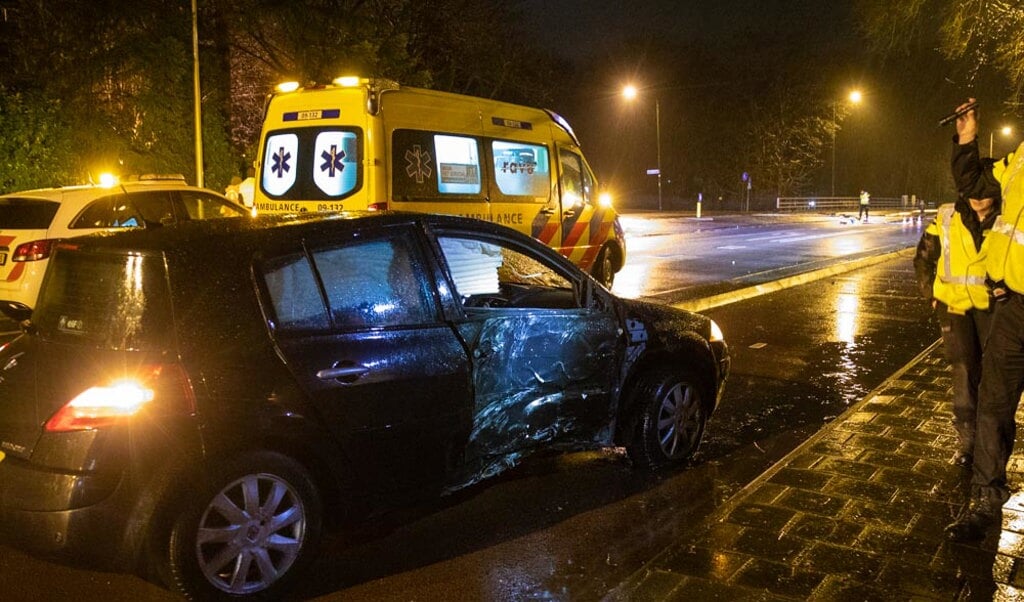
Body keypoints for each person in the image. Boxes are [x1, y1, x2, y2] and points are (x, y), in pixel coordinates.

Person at [945, 98, 1024, 541]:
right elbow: (973, 181)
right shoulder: (1018, 160)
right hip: (1013, 309)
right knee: (993, 407)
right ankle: (985, 501)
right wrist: (968, 136)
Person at [913, 183, 1000, 470]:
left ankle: (991, 443)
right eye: (974, 190)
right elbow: (924, 256)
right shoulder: (947, 216)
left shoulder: (1007, 217)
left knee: (994, 374)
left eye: (986, 191)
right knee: (963, 372)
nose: (979, 198)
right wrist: (931, 294)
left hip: (993, 309)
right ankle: (967, 443)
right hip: (954, 308)